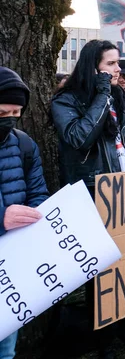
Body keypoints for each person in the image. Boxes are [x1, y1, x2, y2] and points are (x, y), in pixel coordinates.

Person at [51, 40, 125, 359]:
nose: (119, 70)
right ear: (93, 66)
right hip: (94, 201)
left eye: (118, 64)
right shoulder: (66, 100)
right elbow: (79, 137)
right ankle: (105, 347)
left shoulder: (123, 98)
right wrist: (101, 94)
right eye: (112, 64)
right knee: (102, 280)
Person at [0, 67, 49, 359]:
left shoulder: (24, 144)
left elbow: (38, 193)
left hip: (10, 270)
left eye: (16, 113)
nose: (9, 120)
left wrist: (36, 216)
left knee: (6, 349)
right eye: (3, 111)